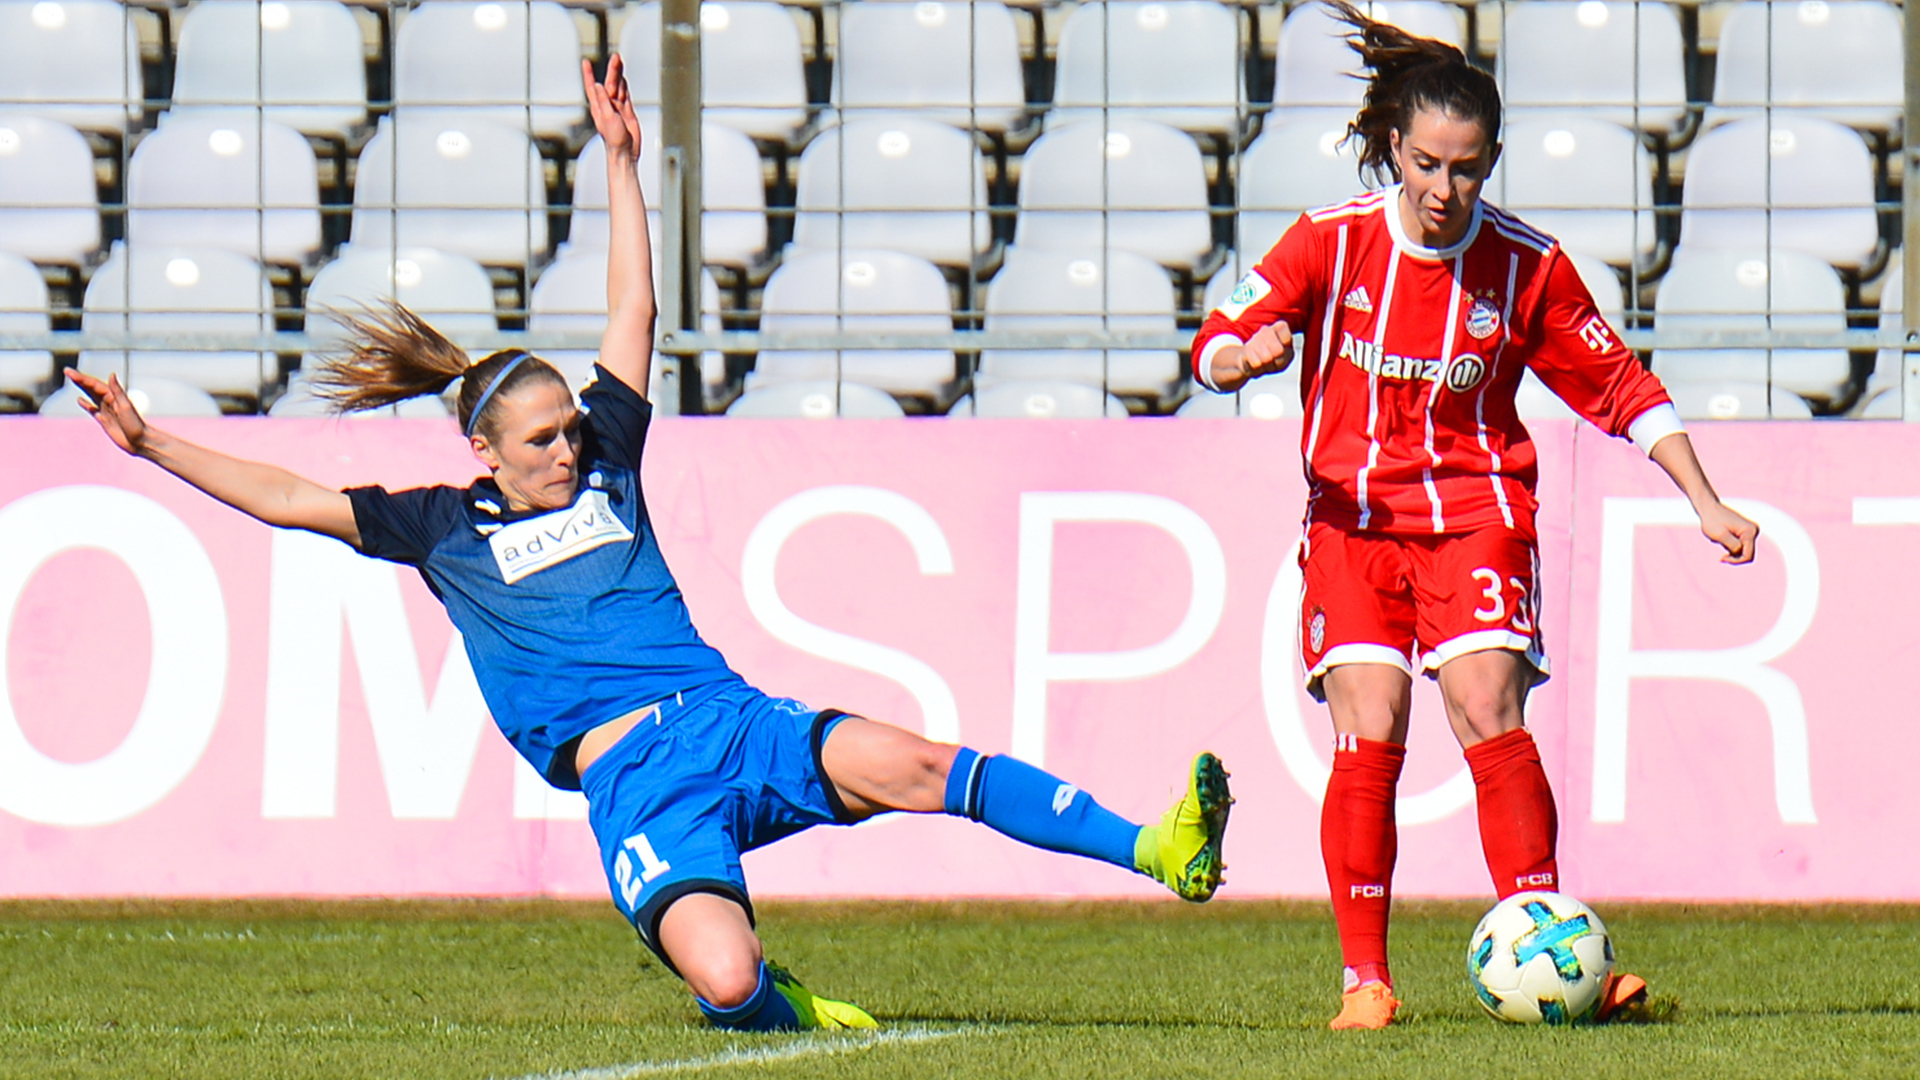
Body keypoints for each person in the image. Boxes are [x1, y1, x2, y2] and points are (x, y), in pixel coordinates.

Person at [68, 57, 1233, 1033]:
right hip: (632, 782)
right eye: (540, 441)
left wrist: (620, 163)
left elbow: (635, 318)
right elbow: (285, 495)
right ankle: (775, 1005)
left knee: (920, 764)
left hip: (728, 719)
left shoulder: (611, 462)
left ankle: (1158, 845)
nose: (566, 451)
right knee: (723, 979)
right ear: (486, 454)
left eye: (570, 431)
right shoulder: (440, 529)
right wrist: (150, 443)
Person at [1192, 1, 1757, 1031]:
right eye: (1427, 165)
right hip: (1352, 520)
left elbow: (1622, 384)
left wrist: (1706, 500)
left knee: (1488, 706)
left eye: (1468, 169)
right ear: (1392, 149)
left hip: (1476, 510)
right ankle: (1367, 982)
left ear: (1490, 160)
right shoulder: (1331, 243)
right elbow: (1221, 335)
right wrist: (1244, 359)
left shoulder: (1527, 267)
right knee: (1372, 726)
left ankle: (1548, 950)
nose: (1445, 190)